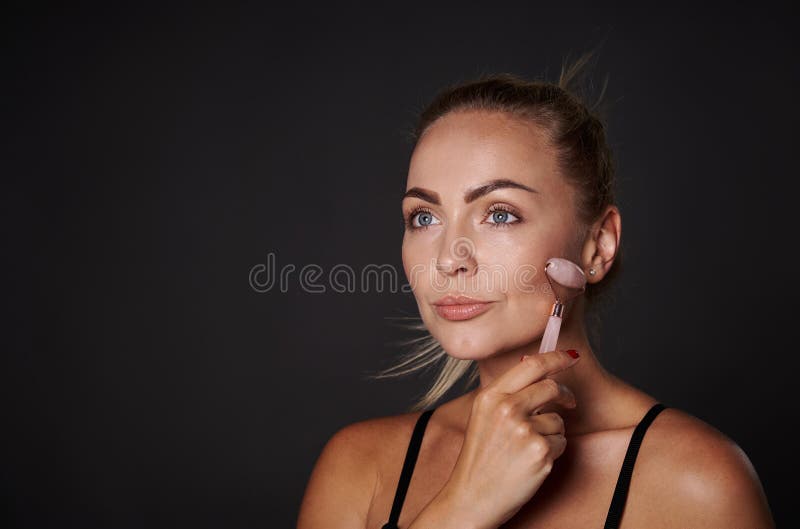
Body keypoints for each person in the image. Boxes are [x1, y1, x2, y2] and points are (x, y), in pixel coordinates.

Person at [296, 55, 775, 529]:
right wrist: (462, 507)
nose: (448, 258)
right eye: (424, 217)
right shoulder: (360, 469)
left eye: (499, 213)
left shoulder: (698, 484)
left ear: (598, 245)